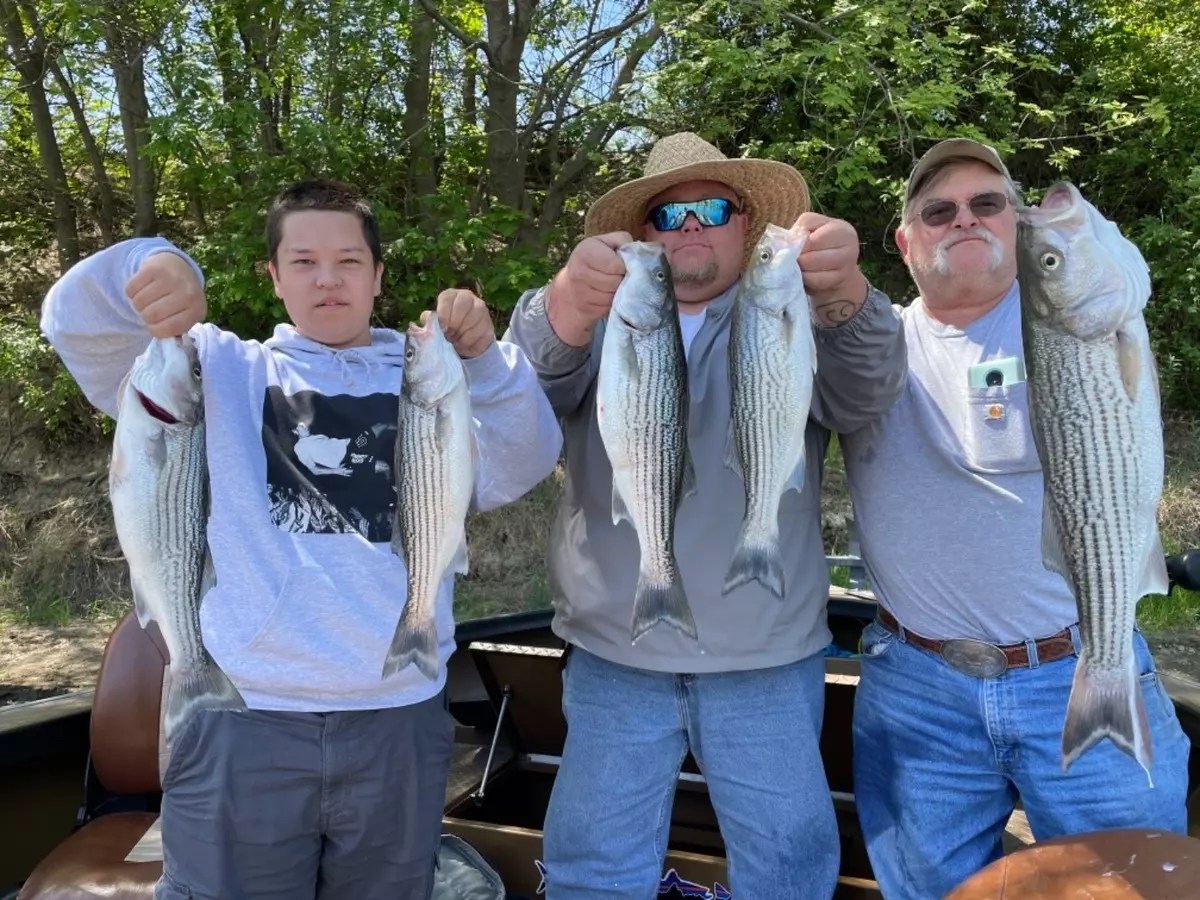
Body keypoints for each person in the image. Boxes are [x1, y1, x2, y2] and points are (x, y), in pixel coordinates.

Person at [40, 178, 563, 900]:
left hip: (398, 715)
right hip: (241, 714)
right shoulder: (214, 368)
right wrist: (154, 264)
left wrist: (488, 364)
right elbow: (72, 323)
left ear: (378, 276)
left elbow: (524, 456)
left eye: (349, 262)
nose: (328, 279)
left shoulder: (428, 381)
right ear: (273, 275)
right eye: (304, 261)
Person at [504, 131, 907, 898]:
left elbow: (866, 394)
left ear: (747, 226)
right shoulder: (597, 316)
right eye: (668, 214)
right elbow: (515, 405)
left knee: (788, 869)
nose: (691, 225)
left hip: (766, 653)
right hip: (613, 651)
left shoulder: (793, 308)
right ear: (643, 236)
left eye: (714, 208)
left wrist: (848, 295)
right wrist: (556, 309)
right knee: (593, 872)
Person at [841, 139, 1191, 898]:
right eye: (938, 211)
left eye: (988, 203)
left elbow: (1113, 273)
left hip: (1080, 659)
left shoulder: (1086, 316)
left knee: (1140, 886)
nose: (964, 219)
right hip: (916, 685)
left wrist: (1065, 249)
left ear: (1014, 222)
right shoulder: (870, 351)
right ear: (906, 242)